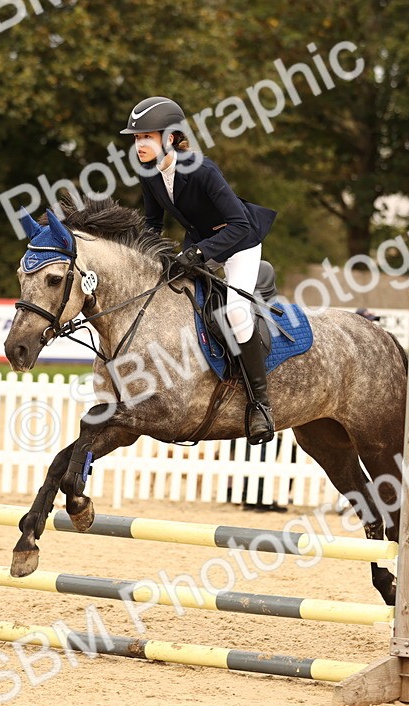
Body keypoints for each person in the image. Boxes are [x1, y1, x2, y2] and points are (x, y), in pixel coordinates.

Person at [120, 96, 278, 445]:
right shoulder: (149, 173)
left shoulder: (203, 170)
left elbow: (238, 224)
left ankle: (260, 405)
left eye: (146, 137)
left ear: (170, 138)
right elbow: (151, 224)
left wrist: (198, 252)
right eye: (135, 138)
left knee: (236, 312)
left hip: (240, 244)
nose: (139, 144)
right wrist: (142, 258)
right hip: (200, 247)